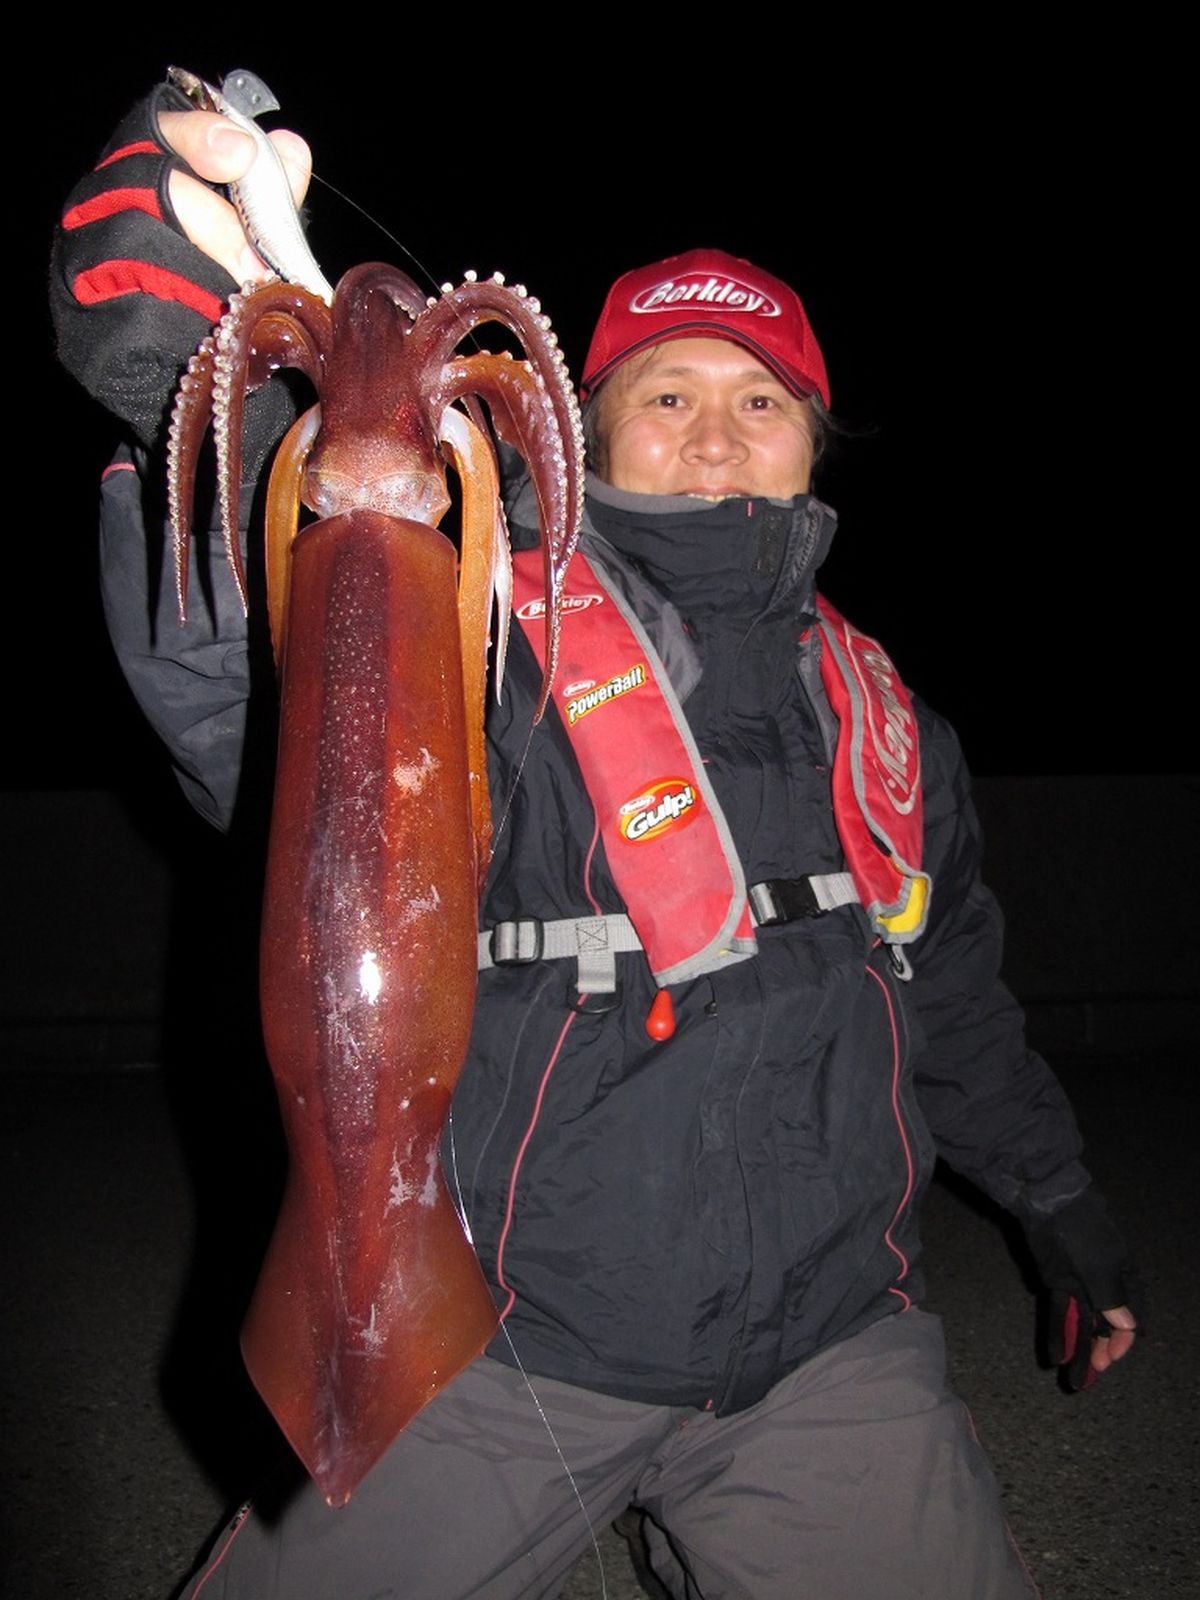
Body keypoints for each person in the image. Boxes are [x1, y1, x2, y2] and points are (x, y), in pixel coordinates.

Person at [52, 79, 1137, 1600]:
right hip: (498, 1339)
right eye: (667, 396)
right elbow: (251, 714)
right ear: (585, 438)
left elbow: (951, 986)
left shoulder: (884, 714)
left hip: (826, 1352)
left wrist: (1060, 1202)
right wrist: (198, 412)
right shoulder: (480, 642)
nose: (716, 437)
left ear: (816, 446)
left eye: (761, 400)